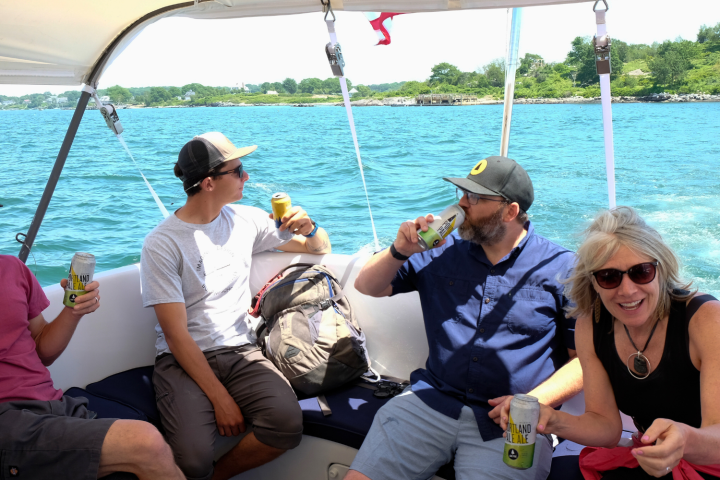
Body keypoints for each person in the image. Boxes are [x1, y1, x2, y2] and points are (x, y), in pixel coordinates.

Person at [346, 156, 583, 480]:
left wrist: (532, 402)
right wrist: (399, 250)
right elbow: (366, 286)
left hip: (510, 422)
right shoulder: (438, 250)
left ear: (510, 211)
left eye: (474, 197)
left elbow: (584, 362)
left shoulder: (563, 268)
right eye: (462, 193)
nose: (462, 203)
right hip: (431, 400)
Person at [140, 132, 331, 480]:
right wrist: (221, 399)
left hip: (241, 350)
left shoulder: (247, 220)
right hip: (183, 359)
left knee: (287, 425)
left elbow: (318, 248)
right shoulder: (162, 244)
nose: (247, 177)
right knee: (193, 459)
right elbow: (176, 335)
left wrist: (311, 226)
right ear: (209, 182)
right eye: (239, 170)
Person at [513, 206, 720, 479]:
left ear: (662, 269)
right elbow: (607, 427)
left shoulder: (705, 320)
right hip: (647, 454)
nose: (627, 290)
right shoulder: (592, 324)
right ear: (593, 283)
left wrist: (684, 439)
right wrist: (552, 420)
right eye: (608, 277)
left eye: (642, 272)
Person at [0, 254, 183, 480]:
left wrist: (73, 310)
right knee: (145, 442)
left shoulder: (12, 267)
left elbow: (42, 351)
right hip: (8, 418)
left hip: (53, 404)